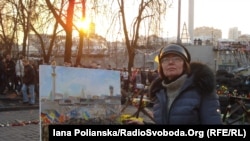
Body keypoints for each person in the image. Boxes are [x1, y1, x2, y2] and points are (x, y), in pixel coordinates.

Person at [126, 43, 222, 124]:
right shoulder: (159, 93)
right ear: (161, 66)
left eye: (176, 59)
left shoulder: (202, 89)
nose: (170, 62)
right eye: (165, 60)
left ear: (185, 65)